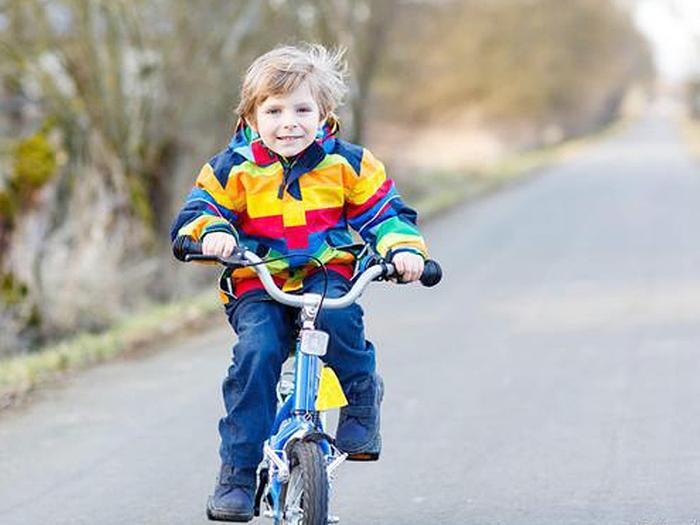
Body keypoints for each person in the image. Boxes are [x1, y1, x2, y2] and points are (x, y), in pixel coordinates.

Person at [171, 43, 428, 522]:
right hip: (258, 280)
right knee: (258, 353)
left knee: (343, 327)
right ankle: (239, 472)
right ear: (250, 116)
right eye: (273, 111)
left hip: (326, 274)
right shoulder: (233, 169)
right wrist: (214, 235)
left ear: (324, 113)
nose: (288, 122)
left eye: (302, 109)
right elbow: (197, 214)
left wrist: (403, 249)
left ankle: (361, 400)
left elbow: (385, 213)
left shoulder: (349, 164)